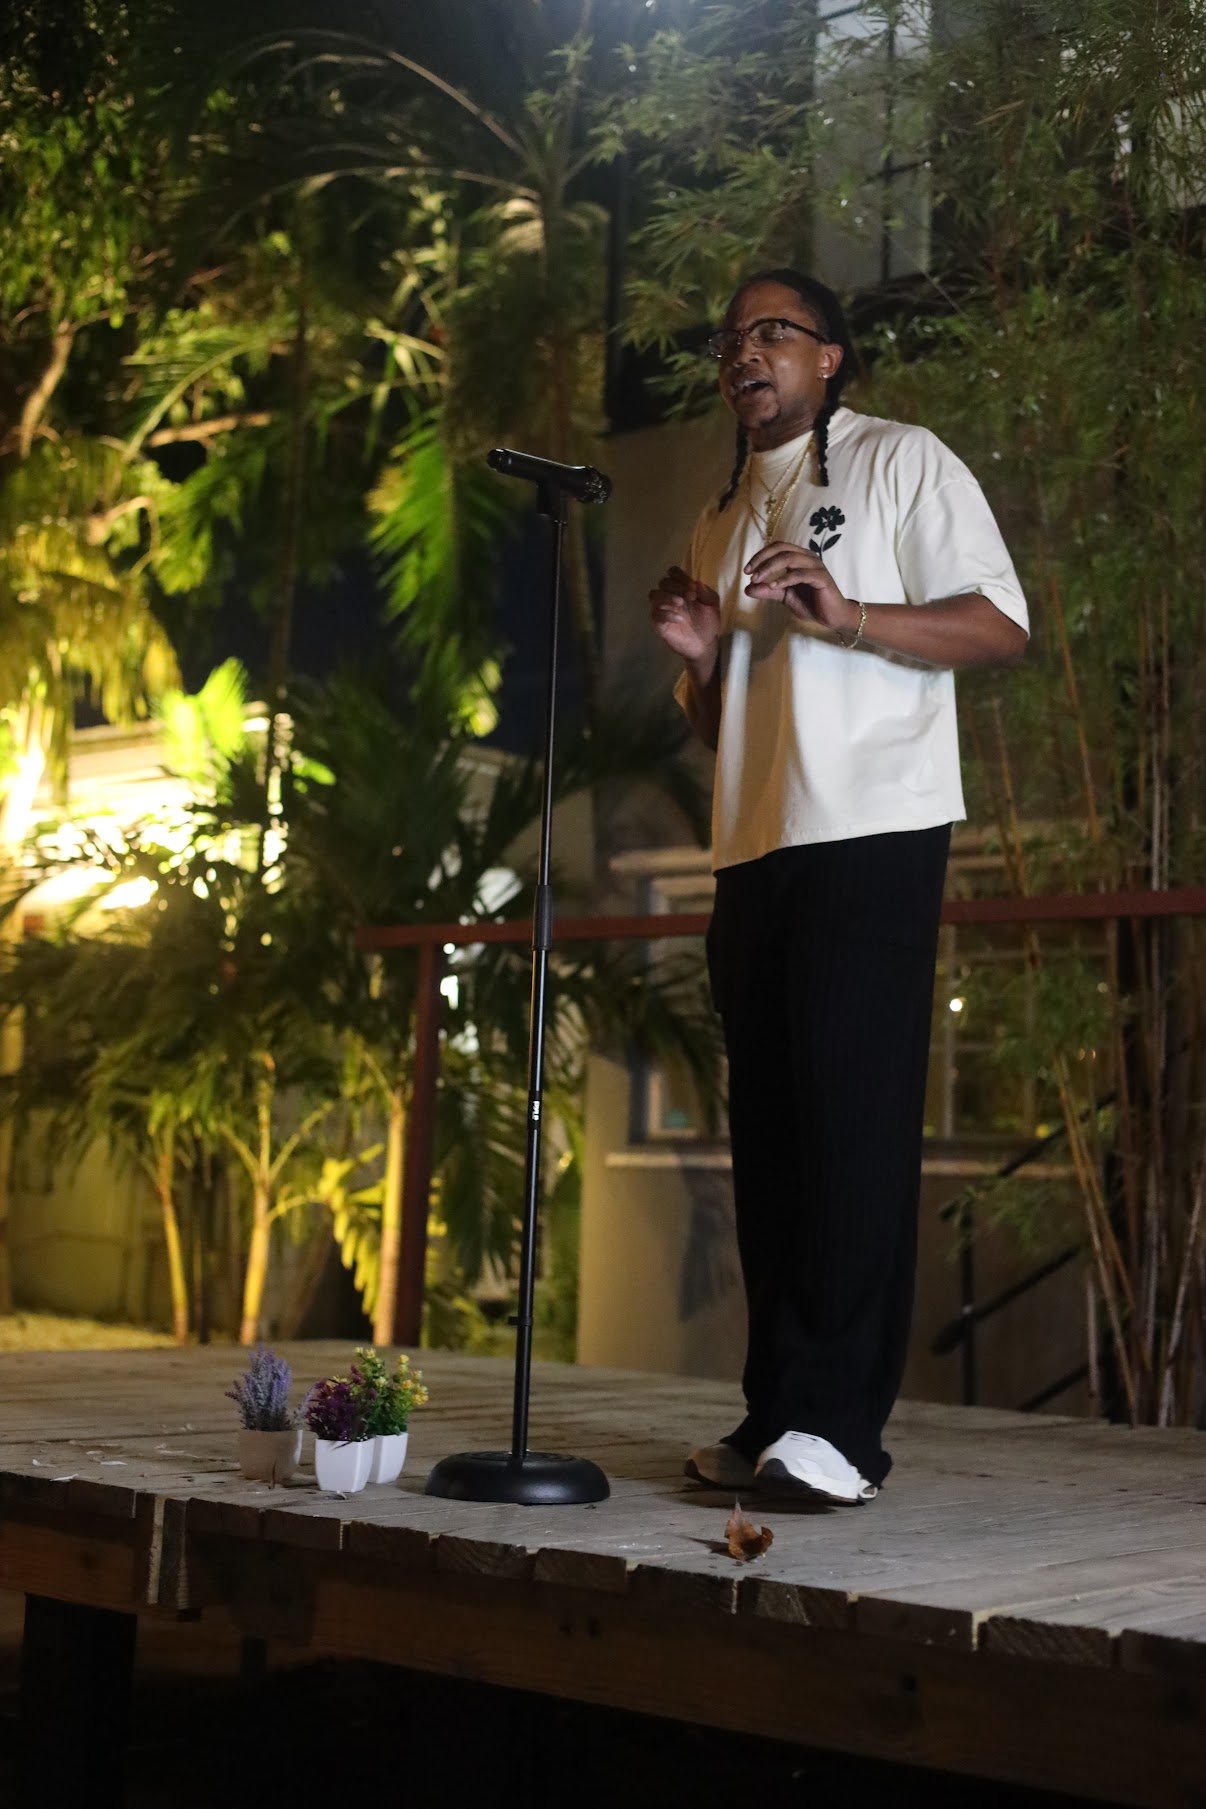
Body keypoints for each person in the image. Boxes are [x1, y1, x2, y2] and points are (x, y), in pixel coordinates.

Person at [650, 269, 1028, 1504]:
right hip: (753, 847)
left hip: (872, 827)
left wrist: (850, 609)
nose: (746, 354)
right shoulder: (717, 520)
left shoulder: (900, 461)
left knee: (852, 1128)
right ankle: (778, 1413)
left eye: (775, 333)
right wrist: (706, 664)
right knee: (772, 1137)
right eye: (732, 340)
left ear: (832, 360)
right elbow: (728, 728)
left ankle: (844, 1435)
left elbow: (1000, 624)